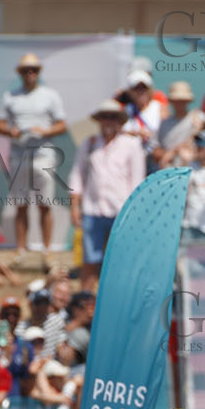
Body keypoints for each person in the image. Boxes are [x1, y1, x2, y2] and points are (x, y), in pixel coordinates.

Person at [68, 100, 145, 290]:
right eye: (105, 117)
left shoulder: (132, 144)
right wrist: (74, 207)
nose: (108, 121)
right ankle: (84, 300)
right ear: (100, 120)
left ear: (119, 121)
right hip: (93, 209)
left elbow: (137, 181)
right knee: (89, 260)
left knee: (120, 259)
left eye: (113, 117)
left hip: (121, 211)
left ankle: (118, 296)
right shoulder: (89, 143)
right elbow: (76, 175)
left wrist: (134, 213)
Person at [0, 54, 68, 255]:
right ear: (20, 73)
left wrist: (45, 131)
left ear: (39, 72)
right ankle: (21, 248)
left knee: (44, 203)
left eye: (34, 70)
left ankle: (46, 249)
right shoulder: (10, 96)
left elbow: (61, 124)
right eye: (26, 70)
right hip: (19, 155)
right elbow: (0, 124)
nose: (30, 74)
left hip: (43, 155)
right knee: (21, 203)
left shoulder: (50, 95)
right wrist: (11, 131)